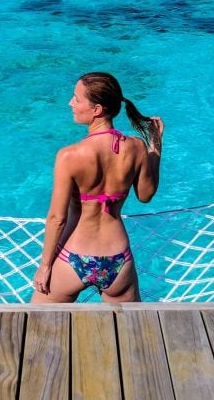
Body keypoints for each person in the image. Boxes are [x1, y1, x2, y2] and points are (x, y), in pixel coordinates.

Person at [31, 72, 164, 303]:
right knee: (130, 331)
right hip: (117, 260)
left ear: (97, 110)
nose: (70, 103)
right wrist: (156, 148)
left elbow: (56, 219)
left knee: (39, 327)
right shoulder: (137, 147)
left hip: (73, 257)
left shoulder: (69, 156)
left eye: (77, 99)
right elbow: (145, 195)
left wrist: (44, 266)